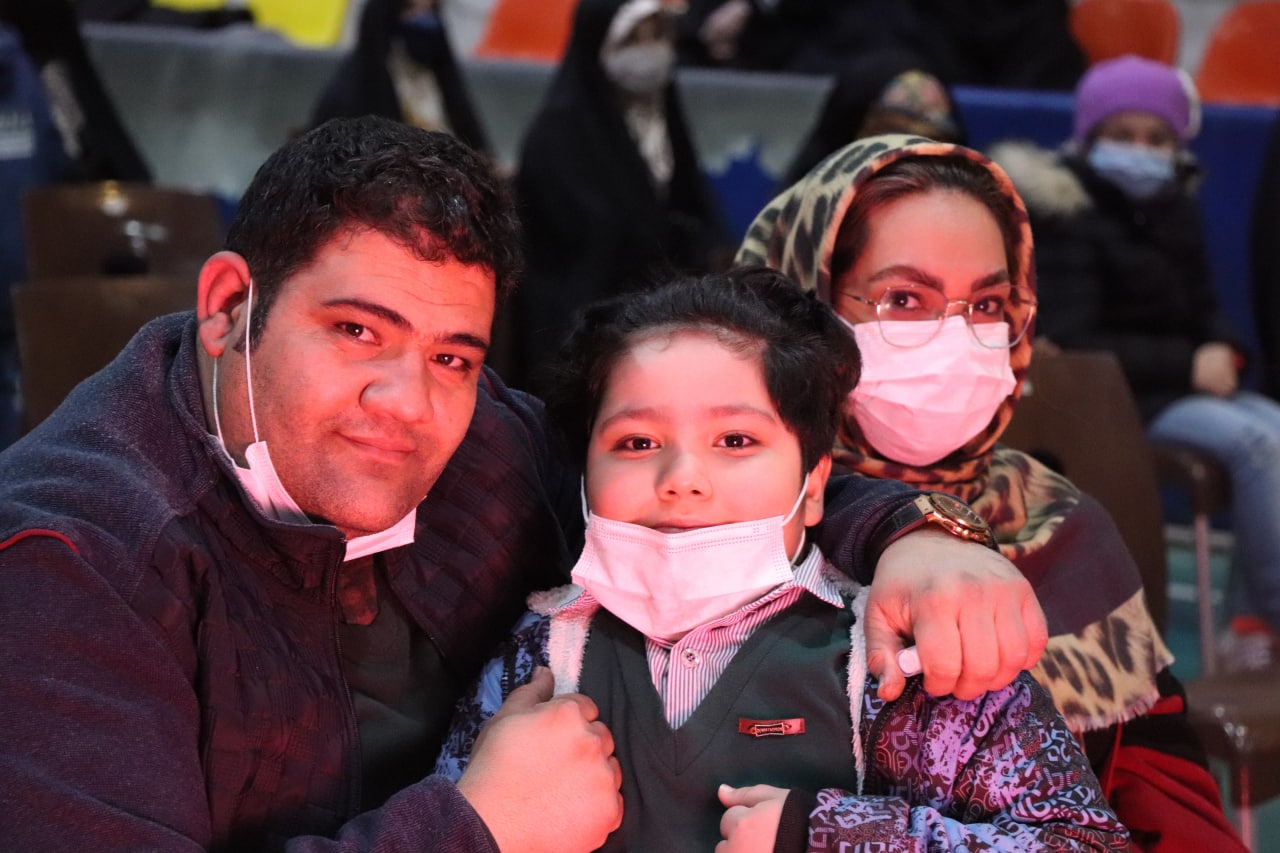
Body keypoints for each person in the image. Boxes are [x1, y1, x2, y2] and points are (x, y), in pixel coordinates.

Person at [0, 115, 1046, 851]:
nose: (405, 401)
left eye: (451, 355)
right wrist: (476, 826)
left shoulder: (478, 441)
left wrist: (913, 534)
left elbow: (679, 481)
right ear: (230, 305)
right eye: (355, 329)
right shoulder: (70, 563)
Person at [435, 267, 1129, 852]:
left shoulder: (902, 664)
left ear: (815, 481)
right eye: (636, 443)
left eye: (735, 440)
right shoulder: (538, 658)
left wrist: (830, 835)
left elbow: (1085, 842)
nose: (681, 478)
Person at [738, 133, 1246, 851]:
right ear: (806, 310)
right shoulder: (718, 524)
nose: (957, 338)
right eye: (904, 298)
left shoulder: (1056, 521)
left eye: (986, 304)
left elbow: (1159, 788)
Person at [992, 54, 1280, 672]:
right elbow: (1075, 341)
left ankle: (1251, 623)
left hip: (1182, 388)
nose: (1140, 150)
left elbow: (1208, 308)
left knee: (1274, 427)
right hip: (1124, 401)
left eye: (1156, 138)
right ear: (1091, 135)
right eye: (1122, 134)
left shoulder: (1177, 208)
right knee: (1259, 445)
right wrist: (1187, 366)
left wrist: (1226, 351)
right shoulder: (1066, 213)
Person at [511, 0, 731, 391]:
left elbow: (691, 202)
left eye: (659, 35)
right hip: (581, 334)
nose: (653, 50)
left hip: (663, 319)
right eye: (636, 38)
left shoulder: (662, 117)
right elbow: (584, 250)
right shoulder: (557, 134)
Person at [309, 0, 491, 158]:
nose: (422, 19)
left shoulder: (439, 79)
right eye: (411, 9)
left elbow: (469, 133)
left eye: (430, 9)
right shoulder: (349, 96)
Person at [779, 48, 962, 190]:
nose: (907, 152)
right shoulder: (802, 212)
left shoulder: (965, 202)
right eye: (890, 133)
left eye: (932, 140)